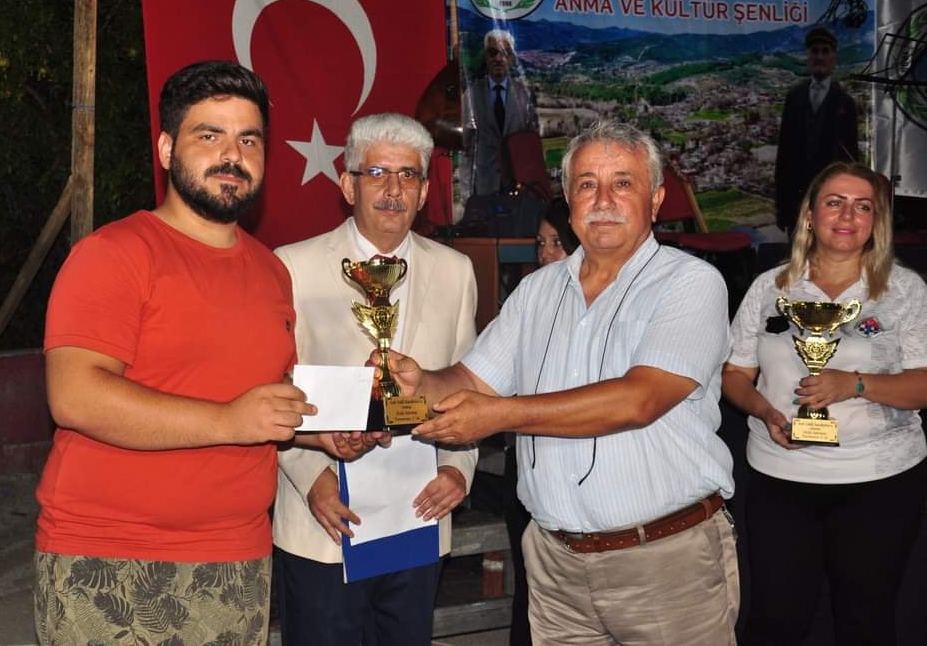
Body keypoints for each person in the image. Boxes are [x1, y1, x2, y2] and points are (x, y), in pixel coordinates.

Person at [33, 60, 358, 646]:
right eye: (210, 135)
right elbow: (74, 396)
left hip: (238, 557)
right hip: (112, 555)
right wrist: (229, 420)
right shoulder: (114, 254)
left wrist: (321, 432)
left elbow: (260, 401)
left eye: (249, 140)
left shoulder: (270, 272)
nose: (232, 154)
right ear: (166, 149)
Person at [395, 120, 739, 645]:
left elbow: (639, 400)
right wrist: (420, 383)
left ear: (655, 200)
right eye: (587, 184)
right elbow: (471, 380)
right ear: (569, 199)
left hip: (663, 563)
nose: (603, 200)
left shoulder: (690, 283)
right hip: (555, 566)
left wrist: (503, 416)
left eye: (622, 183)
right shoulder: (537, 290)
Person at [272, 113, 478, 646]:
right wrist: (309, 476)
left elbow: (469, 385)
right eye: (377, 173)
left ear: (425, 191)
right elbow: (272, 390)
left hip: (418, 516)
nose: (393, 189)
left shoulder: (456, 271)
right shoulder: (291, 267)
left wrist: (458, 469)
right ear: (348, 185)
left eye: (408, 175)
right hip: (326, 520)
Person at [723, 162, 927, 646]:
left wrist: (855, 384)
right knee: (776, 622)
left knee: (866, 623)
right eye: (834, 202)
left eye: (863, 207)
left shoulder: (905, 290)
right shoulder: (770, 287)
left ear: (876, 221)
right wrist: (764, 412)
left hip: (879, 479)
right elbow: (734, 375)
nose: (848, 216)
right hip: (780, 477)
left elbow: (923, 384)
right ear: (810, 215)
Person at [501, 195, 579, 646]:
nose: (547, 253)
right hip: (530, 460)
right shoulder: (527, 298)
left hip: (582, 470)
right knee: (530, 586)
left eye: (557, 243)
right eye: (540, 243)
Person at [774, 26, 859, 233]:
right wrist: (782, 205)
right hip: (797, 197)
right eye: (815, 51)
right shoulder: (794, 97)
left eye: (825, 51)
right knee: (797, 249)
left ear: (834, 58)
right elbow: (784, 152)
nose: (819, 57)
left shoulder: (846, 103)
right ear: (808, 57)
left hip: (831, 197)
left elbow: (850, 158)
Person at [460, 29, 540, 203]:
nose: (498, 58)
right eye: (492, 52)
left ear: (511, 58)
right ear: (485, 57)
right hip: (484, 188)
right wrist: (466, 195)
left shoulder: (525, 95)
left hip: (518, 186)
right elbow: (466, 149)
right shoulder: (471, 96)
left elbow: (533, 145)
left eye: (504, 53)